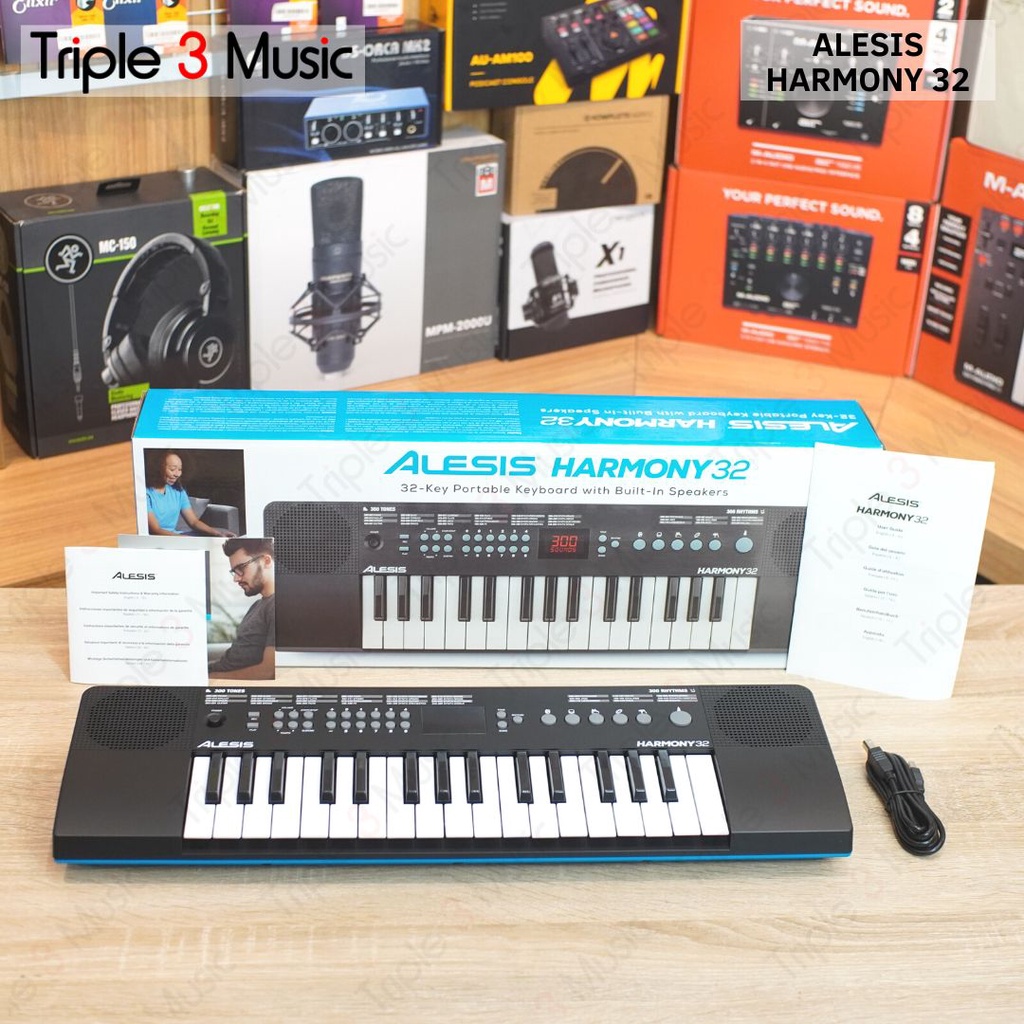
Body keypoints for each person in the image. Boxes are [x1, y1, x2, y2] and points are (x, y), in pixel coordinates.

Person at [209, 538, 275, 680]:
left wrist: (207, 679)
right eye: (234, 571)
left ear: (266, 561)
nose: (236, 579)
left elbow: (268, 672)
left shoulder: (277, 606)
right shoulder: (257, 605)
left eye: (241, 568)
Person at [146, 451, 236, 537]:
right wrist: (185, 540)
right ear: (159, 468)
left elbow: (193, 522)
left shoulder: (179, 491)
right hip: (158, 539)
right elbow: (155, 529)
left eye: (180, 469)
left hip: (176, 536)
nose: (177, 474)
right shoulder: (147, 494)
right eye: (172, 469)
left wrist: (217, 533)